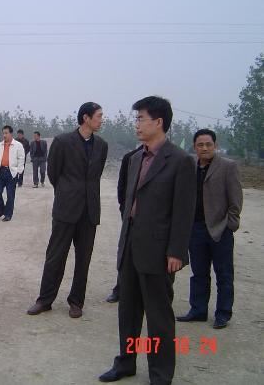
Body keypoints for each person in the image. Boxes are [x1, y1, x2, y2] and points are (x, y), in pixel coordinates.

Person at [99, 96, 196, 385]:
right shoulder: (134, 158)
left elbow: (184, 211)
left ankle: (160, 374)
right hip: (131, 245)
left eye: (141, 118)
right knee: (128, 311)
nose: (136, 124)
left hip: (159, 251)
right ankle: (126, 362)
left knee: (158, 316)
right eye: (136, 119)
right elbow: (126, 198)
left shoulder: (180, 161)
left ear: (159, 122)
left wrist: (176, 251)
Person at [27, 102, 108, 319]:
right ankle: (44, 300)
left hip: (89, 212)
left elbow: (96, 174)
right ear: (86, 118)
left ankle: (76, 302)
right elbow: (53, 173)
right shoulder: (63, 141)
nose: (101, 120)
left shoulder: (102, 145)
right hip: (66, 209)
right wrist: (67, 192)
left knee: (83, 259)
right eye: (99, 116)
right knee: (55, 256)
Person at [176, 129, 243, 329]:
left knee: (224, 275)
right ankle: (198, 310)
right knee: (199, 273)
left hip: (220, 229)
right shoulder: (190, 166)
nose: (204, 148)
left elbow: (236, 200)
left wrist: (229, 225)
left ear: (215, 146)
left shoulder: (228, 166)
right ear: (194, 147)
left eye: (208, 144)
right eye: (200, 145)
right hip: (195, 229)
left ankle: (223, 313)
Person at [105, 144, 143, 303]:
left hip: (157, 220)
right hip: (131, 217)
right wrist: (124, 209)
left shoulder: (172, 158)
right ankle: (121, 288)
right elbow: (122, 187)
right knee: (126, 253)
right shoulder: (131, 158)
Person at [0, 125, 25, 221]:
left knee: (10, 195)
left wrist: (19, 171)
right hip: (0, 172)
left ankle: (8, 214)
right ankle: (1, 210)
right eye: (3, 133)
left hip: (11, 173)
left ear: (11, 134)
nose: (4, 135)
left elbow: (21, 159)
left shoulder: (18, 145)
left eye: (6, 133)